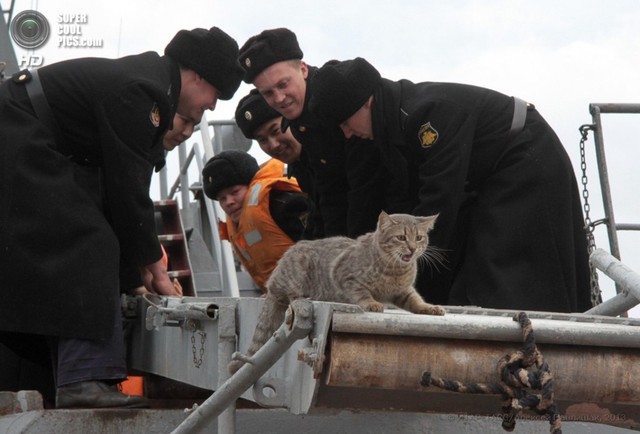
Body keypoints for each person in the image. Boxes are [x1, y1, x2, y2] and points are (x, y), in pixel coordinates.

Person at [0, 27, 244, 408]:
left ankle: (57, 379)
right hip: (16, 131)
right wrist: (156, 270)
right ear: (197, 77)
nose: (211, 107)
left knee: (87, 237)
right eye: (215, 96)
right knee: (86, 240)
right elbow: (127, 192)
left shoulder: (149, 85)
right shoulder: (143, 92)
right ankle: (83, 379)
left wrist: (134, 280)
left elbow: (113, 199)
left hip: (25, 135)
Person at [307, 57, 593, 314]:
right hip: (494, 174)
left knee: (501, 270)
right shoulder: (395, 124)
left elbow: (439, 201)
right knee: (475, 270)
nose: (346, 133)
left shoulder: (425, 116)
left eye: (345, 122)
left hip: (525, 160)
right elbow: (405, 200)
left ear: (367, 101)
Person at [238, 28, 387, 238]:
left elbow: (366, 188)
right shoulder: (302, 123)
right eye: (268, 93)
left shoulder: (337, 97)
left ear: (303, 69)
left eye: (283, 84)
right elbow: (331, 195)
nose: (279, 98)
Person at [202, 150, 314, 292]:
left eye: (235, 192)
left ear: (252, 186)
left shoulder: (285, 205)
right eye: (222, 199)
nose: (229, 202)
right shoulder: (239, 224)